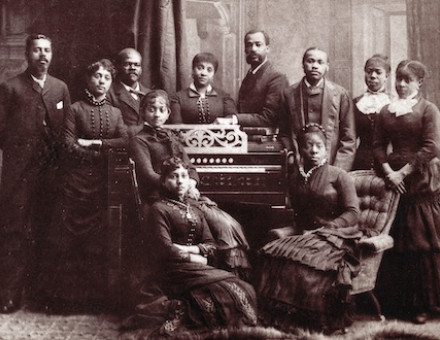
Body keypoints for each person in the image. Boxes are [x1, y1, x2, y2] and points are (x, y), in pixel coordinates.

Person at [34, 59, 128, 312]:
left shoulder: (116, 113)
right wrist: (94, 153)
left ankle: (96, 301)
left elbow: (124, 140)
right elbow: (67, 144)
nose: (101, 81)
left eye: (106, 77)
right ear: (88, 80)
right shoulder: (74, 109)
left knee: (98, 240)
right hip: (75, 182)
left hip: (103, 183)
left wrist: (95, 145)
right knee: (66, 239)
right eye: (97, 76)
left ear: (111, 82)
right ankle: (62, 301)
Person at [124, 157, 257, 336]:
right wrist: (194, 256)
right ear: (164, 181)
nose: (180, 181)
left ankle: (235, 330)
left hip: (196, 268)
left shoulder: (195, 210)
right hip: (172, 271)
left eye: (184, 176)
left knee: (243, 288)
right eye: (173, 176)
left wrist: (190, 250)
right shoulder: (158, 209)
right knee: (215, 296)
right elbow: (165, 248)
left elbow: (211, 245)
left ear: (189, 180)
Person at [130, 89, 251, 278]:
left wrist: (192, 184)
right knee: (219, 224)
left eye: (161, 110)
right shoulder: (139, 141)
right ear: (143, 112)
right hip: (160, 197)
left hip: (183, 193)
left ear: (168, 113)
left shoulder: (173, 138)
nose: (157, 114)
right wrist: (179, 185)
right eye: (152, 109)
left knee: (228, 224)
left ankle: (229, 277)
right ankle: (219, 276)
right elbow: (148, 175)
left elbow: (191, 169)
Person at [257, 124, 361, 333]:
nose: (313, 151)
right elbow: (297, 214)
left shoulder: (339, 175)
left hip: (337, 237)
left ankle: (316, 322)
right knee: (273, 253)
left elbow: (353, 213)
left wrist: (328, 227)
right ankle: (286, 319)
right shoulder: (296, 177)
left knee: (307, 265)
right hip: (305, 235)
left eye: (319, 146)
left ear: (326, 148)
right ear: (301, 149)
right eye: (308, 146)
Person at [0, 34, 71, 313]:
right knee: (15, 231)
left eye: (47, 50)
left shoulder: (60, 87)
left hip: (51, 173)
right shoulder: (10, 87)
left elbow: (66, 130)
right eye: (37, 50)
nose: (43, 55)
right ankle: (9, 294)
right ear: (27, 54)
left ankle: (43, 295)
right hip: (19, 175)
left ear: (52, 54)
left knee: (48, 230)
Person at [373, 60, 440, 324]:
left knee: (420, 241)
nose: (400, 84)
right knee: (397, 238)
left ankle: (424, 303)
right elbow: (378, 145)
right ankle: (397, 302)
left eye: (407, 80)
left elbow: (432, 146)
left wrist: (403, 172)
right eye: (398, 79)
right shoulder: (386, 111)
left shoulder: (428, 109)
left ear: (419, 83)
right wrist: (389, 172)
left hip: (420, 178)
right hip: (393, 181)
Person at [278, 47, 356, 172]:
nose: (315, 66)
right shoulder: (289, 94)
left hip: (331, 164)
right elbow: (283, 133)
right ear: (303, 65)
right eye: (310, 61)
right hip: (299, 165)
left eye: (320, 62)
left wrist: (337, 171)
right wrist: (292, 155)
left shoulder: (340, 95)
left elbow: (348, 138)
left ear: (327, 67)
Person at [214, 29, 288, 127]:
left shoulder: (277, 78)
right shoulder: (250, 76)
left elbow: (269, 118)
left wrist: (235, 119)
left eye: (258, 44)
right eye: (249, 45)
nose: (253, 49)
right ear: (245, 50)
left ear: (267, 48)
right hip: (248, 136)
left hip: (267, 140)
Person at [169, 52, 237, 124]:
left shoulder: (224, 97)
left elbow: (232, 118)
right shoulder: (177, 98)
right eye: (200, 68)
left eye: (209, 70)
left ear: (213, 74)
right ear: (193, 71)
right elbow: (176, 126)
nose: (204, 73)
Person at [352, 54, 391, 170]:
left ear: (386, 75)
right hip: (362, 160)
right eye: (369, 72)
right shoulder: (356, 103)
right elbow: (350, 137)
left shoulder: (395, 103)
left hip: (388, 162)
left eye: (378, 72)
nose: (373, 76)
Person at [107, 48, 150, 136]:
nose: (133, 68)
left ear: (141, 69)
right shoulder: (109, 93)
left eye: (137, 65)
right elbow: (113, 128)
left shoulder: (149, 93)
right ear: (118, 67)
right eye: (127, 64)